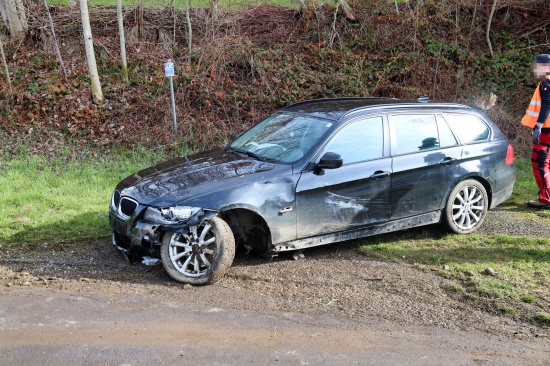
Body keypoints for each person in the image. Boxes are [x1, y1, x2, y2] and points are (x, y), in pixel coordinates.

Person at [522, 54, 550, 208]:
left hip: (546, 130)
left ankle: (546, 199)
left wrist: (538, 126)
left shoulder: (547, 82)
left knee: (540, 163)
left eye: (537, 66)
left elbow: (547, 105)